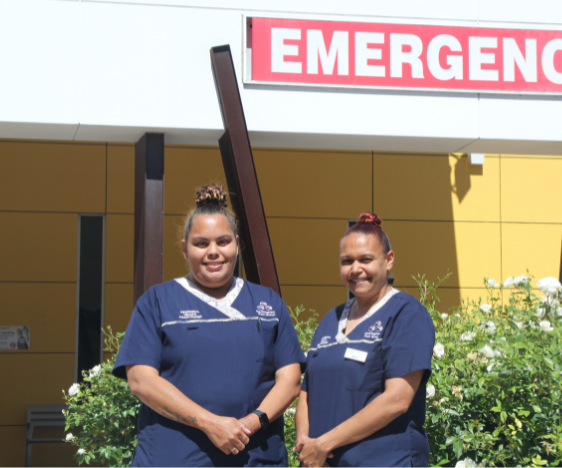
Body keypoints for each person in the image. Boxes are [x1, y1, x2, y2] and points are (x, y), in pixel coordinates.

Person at [113, 183, 305, 467]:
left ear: (237, 244)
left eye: (223, 241)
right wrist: (210, 424)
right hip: (173, 459)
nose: (213, 251)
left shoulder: (268, 304)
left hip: (257, 459)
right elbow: (141, 380)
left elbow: (289, 382)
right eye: (201, 243)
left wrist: (250, 424)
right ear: (184, 248)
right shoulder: (157, 302)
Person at [294, 212, 435, 467]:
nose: (355, 269)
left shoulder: (406, 314)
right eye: (347, 261)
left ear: (388, 260)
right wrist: (306, 442)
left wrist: (325, 444)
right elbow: (307, 391)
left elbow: (397, 400)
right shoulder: (330, 319)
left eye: (366, 259)